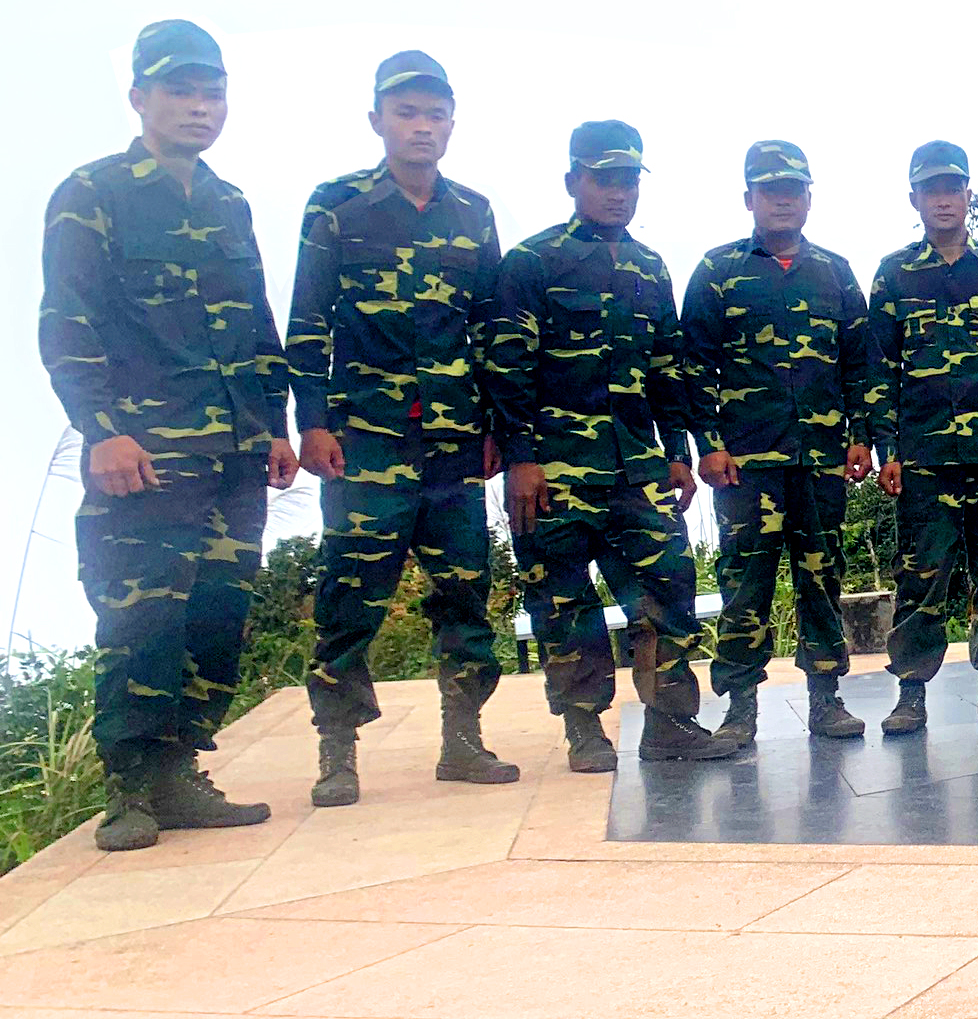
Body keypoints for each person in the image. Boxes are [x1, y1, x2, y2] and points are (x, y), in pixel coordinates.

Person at [39, 20, 297, 850]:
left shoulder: (228, 203)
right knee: (141, 617)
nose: (198, 106)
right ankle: (128, 788)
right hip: (143, 456)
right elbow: (66, 324)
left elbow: (258, 325)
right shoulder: (94, 193)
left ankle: (180, 771)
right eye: (180, 90)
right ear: (139, 98)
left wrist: (275, 426)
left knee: (217, 616)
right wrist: (102, 432)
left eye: (210, 91)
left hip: (234, 457)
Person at [285, 51, 518, 805]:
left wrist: (499, 430)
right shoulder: (338, 205)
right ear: (378, 121)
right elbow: (308, 322)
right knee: (350, 594)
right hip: (366, 441)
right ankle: (337, 751)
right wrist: (311, 423)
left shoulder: (473, 212)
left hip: (454, 443)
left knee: (464, 593)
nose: (422, 127)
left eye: (435, 114)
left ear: (452, 123)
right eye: (407, 113)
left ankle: (462, 740)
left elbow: (492, 328)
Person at [485, 120, 738, 771]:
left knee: (669, 587)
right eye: (604, 178)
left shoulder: (650, 268)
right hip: (554, 469)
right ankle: (584, 729)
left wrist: (678, 452)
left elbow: (667, 370)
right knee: (564, 602)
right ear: (574, 181)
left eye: (629, 179)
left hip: (636, 468)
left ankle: (670, 722)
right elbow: (507, 368)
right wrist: (520, 458)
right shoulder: (531, 263)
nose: (619, 192)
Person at [682, 140, 879, 746]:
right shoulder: (718, 271)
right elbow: (692, 366)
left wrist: (861, 437)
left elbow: (860, 364)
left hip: (820, 460)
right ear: (749, 199)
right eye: (770, 190)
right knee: (746, 582)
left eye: (794, 189)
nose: (784, 200)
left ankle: (827, 699)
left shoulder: (835, 272)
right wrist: (707, 444)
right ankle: (740, 708)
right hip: (746, 465)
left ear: (809, 198)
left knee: (822, 578)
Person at [865, 142, 978, 734]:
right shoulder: (894, 274)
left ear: (969, 194)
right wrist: (887, 448)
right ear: (914, 198)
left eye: (953, 187)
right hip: (923, 458)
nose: (944, 199)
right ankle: (911, 692)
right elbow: (879, 368)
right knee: (920, 576)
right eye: (931, 189)